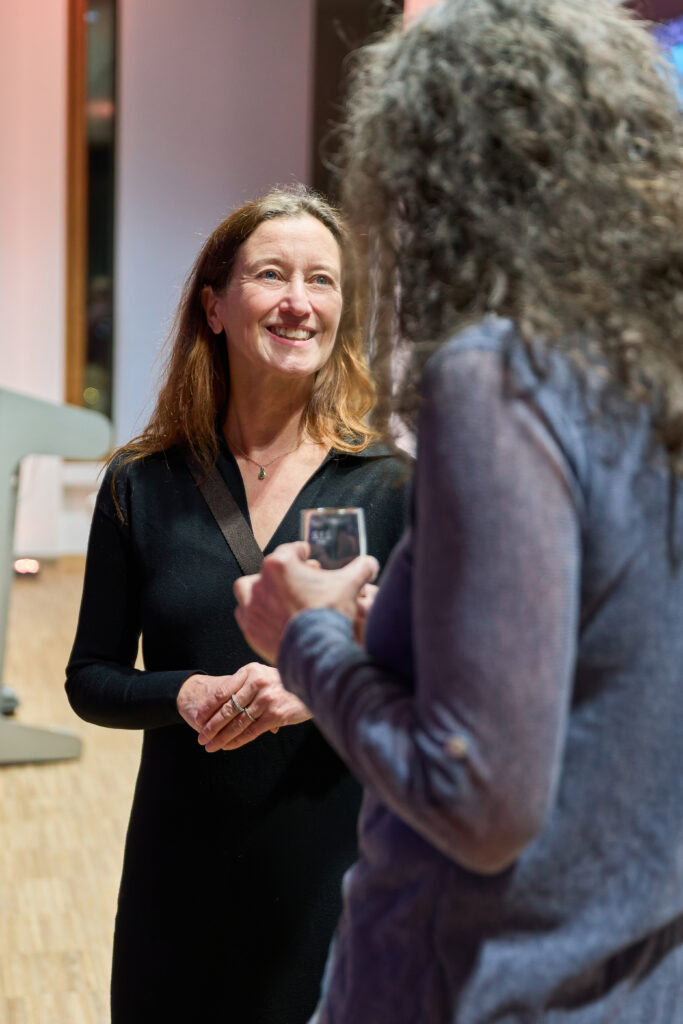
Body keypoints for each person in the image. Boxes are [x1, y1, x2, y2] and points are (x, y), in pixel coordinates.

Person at [233, 2, 683, 1021]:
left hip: (467, 981)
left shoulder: (501, 377)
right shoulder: (651, 379)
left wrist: (305, 637)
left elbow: (478, 797)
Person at [65, 185, 408, 1023]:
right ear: (214, 307)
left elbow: (437, 678)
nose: (299, 301)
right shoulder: (141, 483)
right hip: (179, 872)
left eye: (321, 280)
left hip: (336, 873)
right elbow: (91, 677)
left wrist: (317, 689)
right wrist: (183, 693)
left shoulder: (389, 486)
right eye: (271, 274)